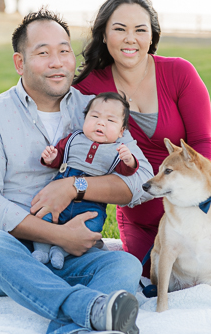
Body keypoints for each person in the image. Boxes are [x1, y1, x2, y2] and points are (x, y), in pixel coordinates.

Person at [0, 0, 211, 281]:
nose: (129, 38)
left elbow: (202, 145)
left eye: (140, 30)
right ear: (104, 36)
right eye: (119, 29)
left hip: (196, 200)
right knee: (152, 275)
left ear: (152, 36)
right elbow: (45, 85)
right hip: (139, 209)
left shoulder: (180, 73)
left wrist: (190, 199)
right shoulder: (90, 90)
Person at [0, 9, 153, 334]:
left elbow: (141, 179)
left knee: (126, 264)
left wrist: (76, 187)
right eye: (43, 52)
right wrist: (58, 234)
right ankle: (89, 310)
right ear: (20, 63)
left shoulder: (95, 110)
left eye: (64, 51)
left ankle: (69, 333)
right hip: (8, 250)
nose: (58, 62)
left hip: (71, 253)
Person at [35, 91, 138, 268]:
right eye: (95, 116)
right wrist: (50, 158)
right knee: (42, 216)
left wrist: (129, 160)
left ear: (121, 131)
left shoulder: (117, 150)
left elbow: (127, 172)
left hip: (90, 203)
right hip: (59, 195)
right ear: (85, 120)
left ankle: (62, 250)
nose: (101, 122)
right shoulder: (73, 139)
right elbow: (59, 158)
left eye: (110, 120)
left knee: (94, 224)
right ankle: (42, 250)